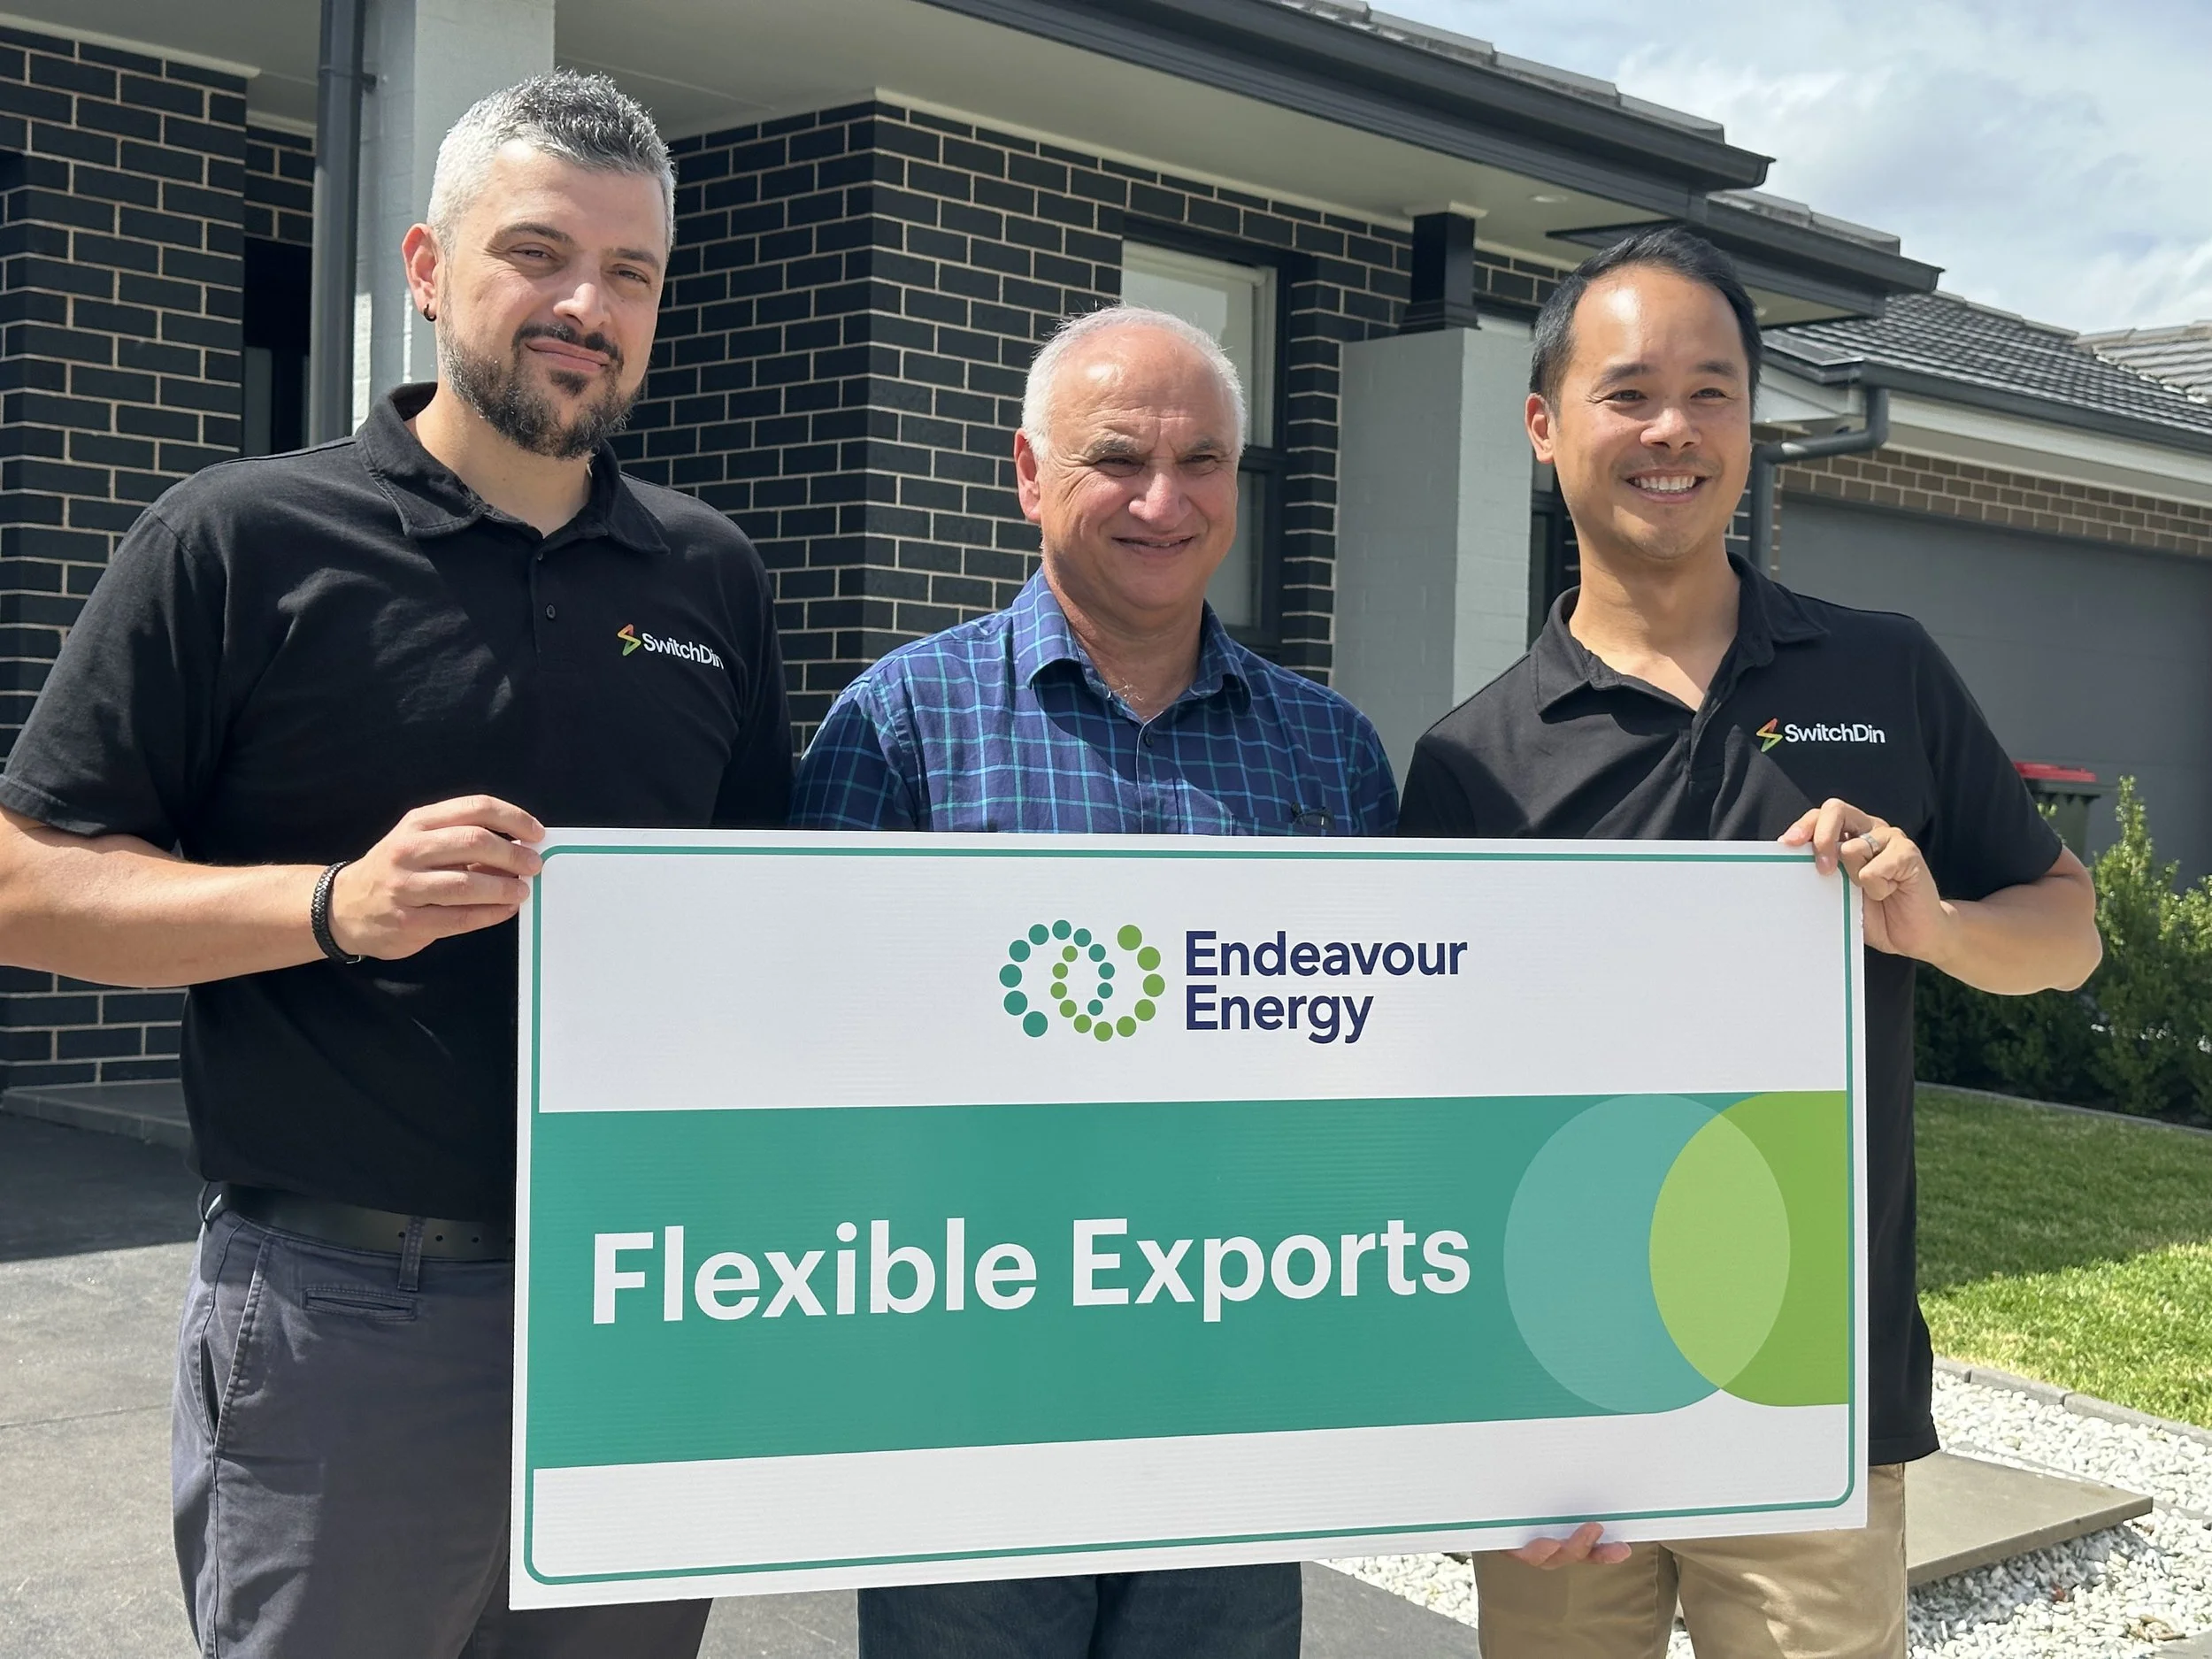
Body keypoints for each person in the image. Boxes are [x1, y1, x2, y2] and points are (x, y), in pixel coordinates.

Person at [0, 72, 789, 1658]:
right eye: (539, 254)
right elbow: (25, 877)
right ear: (427, 270)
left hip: (635, 1309)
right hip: (348, 1317)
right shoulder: (241, 540)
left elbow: (759, 917)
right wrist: (330, 906)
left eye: (630, 274)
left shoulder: (710, 572)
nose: (587, 305)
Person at [1395, 226, 2101, 1658]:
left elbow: (2070, 933)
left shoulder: (1882, 669)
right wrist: (1474, 1422)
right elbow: (1441, 1125)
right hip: (1562, 1412)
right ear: (1543, 426)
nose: (1675, 429)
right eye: (1630, 391)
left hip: (1806, 1391)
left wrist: (1943, 924)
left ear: (1754, 420)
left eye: (1715, 390)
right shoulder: (1472, 761)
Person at [793, 303, 1396, 1655]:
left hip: (1230, 1395)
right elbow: (812, 1067)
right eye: (1118, 458)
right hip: (970, 1396)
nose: (1163, 500)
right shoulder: (898, 725)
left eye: (1203, 464)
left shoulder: (1333, 758)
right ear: (1027, 473)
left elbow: (1379, 1082)